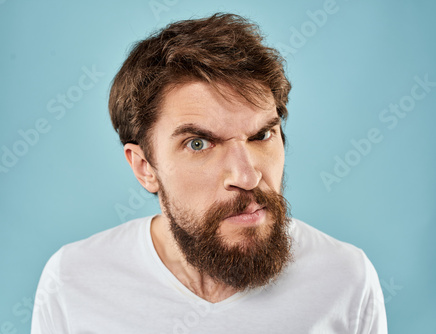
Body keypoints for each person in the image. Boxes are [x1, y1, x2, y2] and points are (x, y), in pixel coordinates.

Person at [31, 13, 388, 333]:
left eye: (261, 135)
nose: (247, 177)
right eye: (199, 144)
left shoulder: (345, 279)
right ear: (144, 167)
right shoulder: (73, 281)